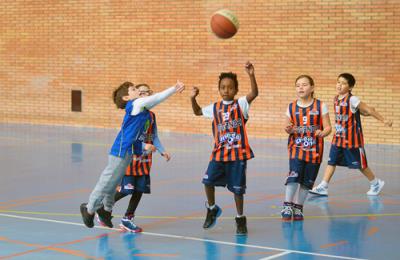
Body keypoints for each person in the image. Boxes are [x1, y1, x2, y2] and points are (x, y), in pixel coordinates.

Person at [80, 80, 184, 228]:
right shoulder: (134, 105)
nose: (138, 91)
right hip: (119, 151)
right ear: (126, 98)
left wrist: (145, 147)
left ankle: (106, 211)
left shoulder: (143, 111)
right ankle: (89, 209)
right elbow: (156, 98)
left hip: (128, 152)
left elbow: (153, 102)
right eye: (134, 89)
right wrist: (174, 89)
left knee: (113, 184)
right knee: (105, 183)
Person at [190, 61, 258, 235]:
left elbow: (254, 93)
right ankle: (212, 208)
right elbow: (197, 112)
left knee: (238, 190)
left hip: (238, 155)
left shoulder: (241, 104)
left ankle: (240, 218)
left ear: (235, 90)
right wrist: (192, 98)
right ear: (219, 89)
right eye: (223, 87)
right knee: (207, 181)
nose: (226, 90)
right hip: (219, 154)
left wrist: (251, 74)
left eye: (230, 87)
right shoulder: (214, 108)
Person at [96, 84, 171, 233]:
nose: (147, 95)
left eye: (149, 92)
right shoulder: (134, 113)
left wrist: (162, 151)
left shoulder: (151, 115)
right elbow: (130, 138)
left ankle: (127, 219)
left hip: (145, 161)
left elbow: (153, 135)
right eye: (142, 92)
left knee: (139, 190)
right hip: (131, 158)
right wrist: (143, 146)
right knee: (126, 190)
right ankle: (103, 209)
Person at [310, 73, 392, 197]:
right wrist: (363, 113)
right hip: (338, 138)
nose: (339, 85)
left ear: (350, 87)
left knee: (360, 165)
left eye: (343, 83)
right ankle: (323, 186)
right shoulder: (336, 98)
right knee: (331, 161)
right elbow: (358, 112)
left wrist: (383, 120)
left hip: (352, 140)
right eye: (338, 82)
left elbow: (368, 109)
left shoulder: (353, 99)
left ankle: (375, 183)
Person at [281, 75, 332, 221]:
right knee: (294, 175)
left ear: (312, 88)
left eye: (304, 85)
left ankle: (298, 207)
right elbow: (287, 127)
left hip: (315, 150)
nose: (300, 87)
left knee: (307, 181)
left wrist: (323, 132)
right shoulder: (291, 106)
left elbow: (328, 127)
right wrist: (289, 129)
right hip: (296, 147)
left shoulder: (320, 106)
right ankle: (287, 204)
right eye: (298, 85)